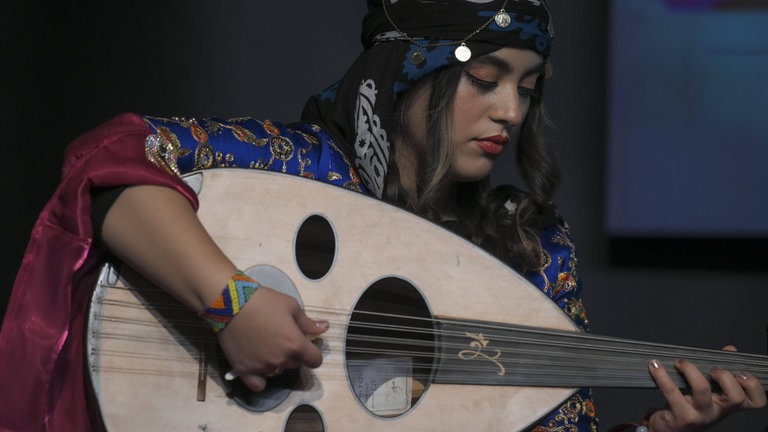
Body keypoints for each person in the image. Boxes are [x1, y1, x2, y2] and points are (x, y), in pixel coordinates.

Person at [0, 1, 764, 431]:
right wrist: (230, 301)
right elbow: (113, 165)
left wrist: (661, 430)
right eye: (486, 78)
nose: (509, 111)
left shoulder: (529, 249)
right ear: (405, 71)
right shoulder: (295, 166)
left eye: (527, 89)